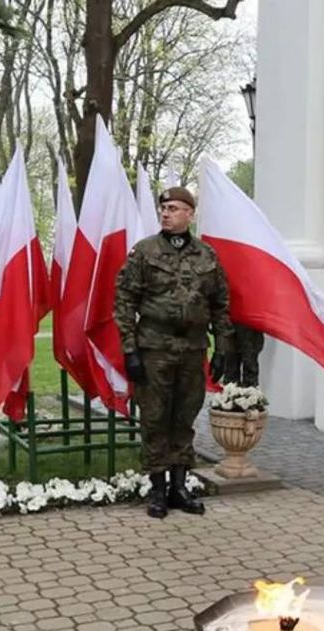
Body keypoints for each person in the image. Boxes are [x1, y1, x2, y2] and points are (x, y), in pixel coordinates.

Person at [114, 187, 235, 519]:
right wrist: (130, 350)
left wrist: (223, 347)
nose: (166, 213)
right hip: (154, 347)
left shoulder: (207, 256)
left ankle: (179, 487)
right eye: (163, 208)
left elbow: (221, 304)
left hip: (193, 349)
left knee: (184, 418)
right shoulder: (144, 252)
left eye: (174, 208)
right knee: (155, 419)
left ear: (189, 214)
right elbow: (124, 301)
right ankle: (157, 488)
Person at [222, 323, 264, 387]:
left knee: (250, 370)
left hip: (251, 333)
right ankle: (232, 392)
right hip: (231, 332)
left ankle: (250, 392)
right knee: (231, 374)